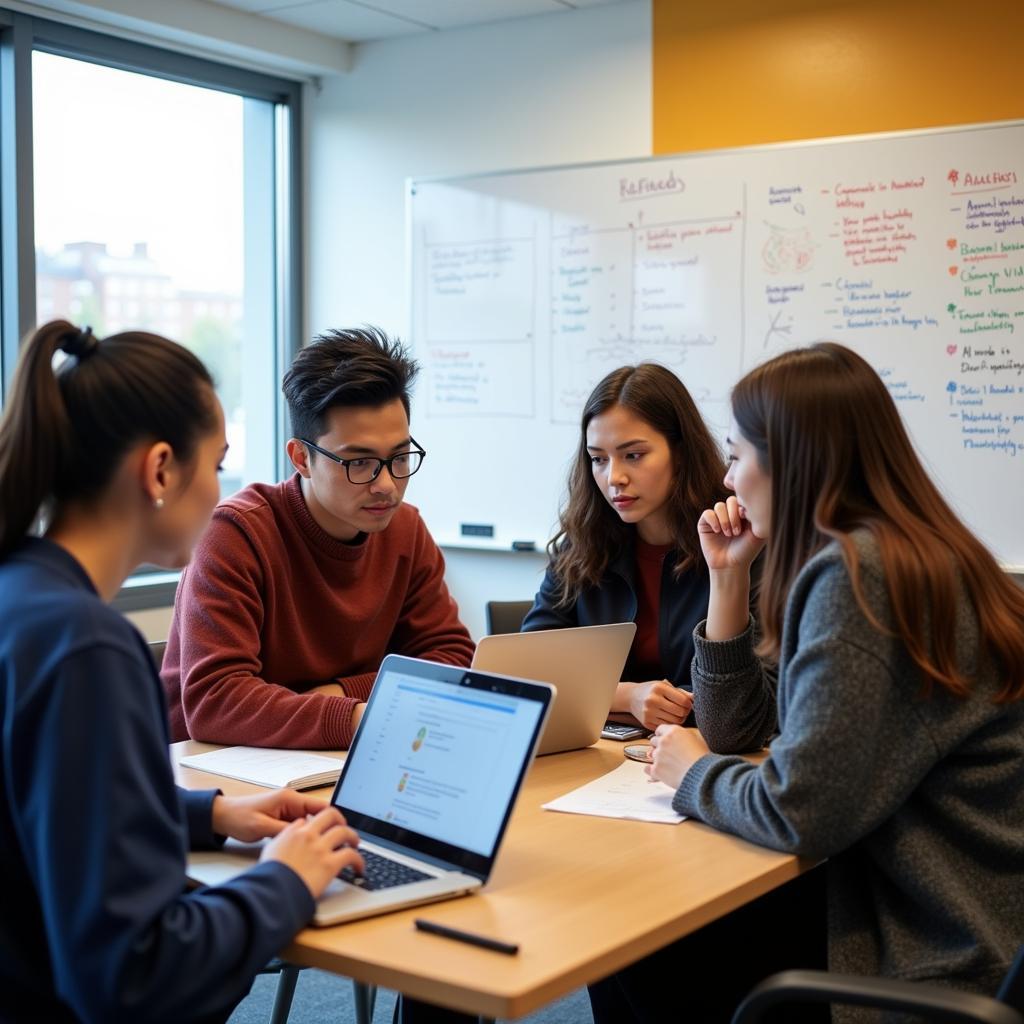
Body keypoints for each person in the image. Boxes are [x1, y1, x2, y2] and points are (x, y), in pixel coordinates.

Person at [0, 320, 364, 1023]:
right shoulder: (88, 649)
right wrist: (286, 882)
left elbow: (44, 812)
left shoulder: (21, 596)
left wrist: (209, 814)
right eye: (218, 461)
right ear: (161, 469)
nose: (223, 488)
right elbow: (134, 974)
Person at [648, 342, 1024, 1020]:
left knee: (657, 952)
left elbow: (797, 814)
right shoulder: (911, 554)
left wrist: (689, 773)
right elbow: (738, 731)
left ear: (791, 462)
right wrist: (728, 579)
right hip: (962, 918)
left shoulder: (861, 579)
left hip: (933, 952)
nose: (728, 481)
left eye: (737, 456)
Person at [162, 326, 474, 748]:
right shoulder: (235, 535)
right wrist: (359, 715)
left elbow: (451, 659)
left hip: (340, 758)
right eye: (359, 462)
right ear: (301, 457)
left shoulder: (405, 530)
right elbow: (215, 701)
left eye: (400, 457)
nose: (386, 484)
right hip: (220, 777)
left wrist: (343, 693)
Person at [523, 362, 729, 732]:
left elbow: (743, 696)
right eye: (598, 459)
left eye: (633, 455)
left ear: (680, 452)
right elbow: (528, 671)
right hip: (606, 757)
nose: (613, 477)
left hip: (703, 756)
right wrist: (628, 697)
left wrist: (601, 700)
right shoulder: (584, 541)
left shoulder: (732, 542)